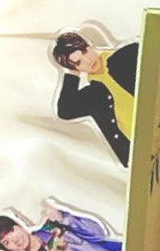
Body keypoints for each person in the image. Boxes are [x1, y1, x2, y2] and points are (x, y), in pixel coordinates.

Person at [53, 31, 138, 166]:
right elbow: (65, 110)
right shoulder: (93, 95)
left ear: (90, 45)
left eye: (84, 52)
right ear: (76, 68)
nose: (87, 61)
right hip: (139, 150)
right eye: (79, 62)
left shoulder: (127, 54)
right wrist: (72, 75)